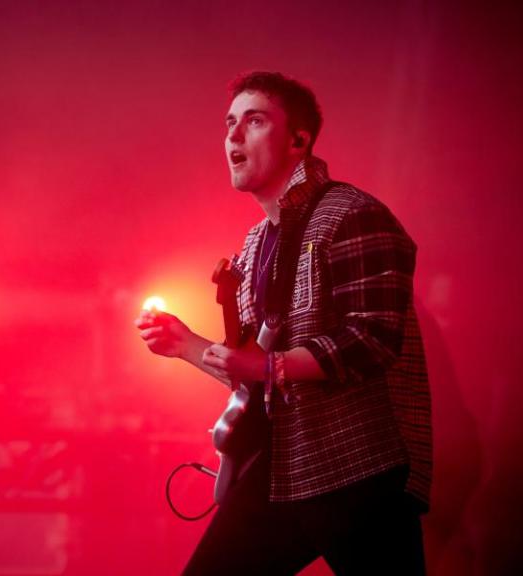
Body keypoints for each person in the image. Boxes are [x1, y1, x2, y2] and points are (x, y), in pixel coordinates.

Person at [135, 71, 432, 575]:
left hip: (359, 466)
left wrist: (268, 367)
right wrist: (185, 344)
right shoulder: (254, 245)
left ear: (299, 140)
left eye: (253, 121)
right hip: (282, 469)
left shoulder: (352, 214)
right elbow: (258, 373)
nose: (233, 135)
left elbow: (373, 338)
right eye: (229, 123)